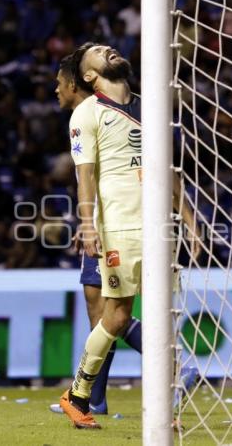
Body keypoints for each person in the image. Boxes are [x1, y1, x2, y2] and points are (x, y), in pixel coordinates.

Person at [54, 54, 142, 415]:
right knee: (107, 310)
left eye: (59, 84)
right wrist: (86, 223)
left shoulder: (132, 109)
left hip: (138, 223)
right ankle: (90, 396)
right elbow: (86, 178)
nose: (56, 91)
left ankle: (89, 396)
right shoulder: (86, 117)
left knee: (111, 312)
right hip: (110, 223)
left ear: (76, 82)